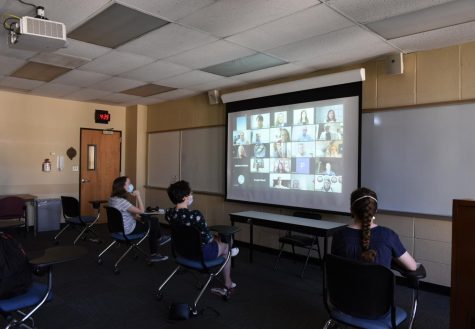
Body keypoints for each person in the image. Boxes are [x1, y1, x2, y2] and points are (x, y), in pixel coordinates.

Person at [165, 180, 239, 296]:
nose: (191, 195)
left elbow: (190, 233)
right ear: (185, 197)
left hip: (182, 252)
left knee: (218, 239)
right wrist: (216, 239)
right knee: (227, 241)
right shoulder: (195, 215)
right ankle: (228, 282)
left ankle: (228, 253)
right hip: (200, 254)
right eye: (190, 193)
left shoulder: (169, 214)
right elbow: (208, 239)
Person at [331, 187, 417, 270]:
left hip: (346, 285)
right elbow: (412, 267)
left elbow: (335, 268)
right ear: (375, 211)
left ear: (351, 210)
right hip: (379, 285)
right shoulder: (388, 236)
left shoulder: (339, 235)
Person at [109, 176, 170, 262]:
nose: (131, 185)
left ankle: (159, 238)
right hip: (128, 229)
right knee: (153, 223)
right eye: (129, 183)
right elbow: (141, 211)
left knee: (150, 221)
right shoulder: (122, 202)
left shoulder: (112, 199)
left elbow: (124, 214)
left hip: (118, 228)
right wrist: (138, 196)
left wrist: (137, 217)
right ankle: (154, 252)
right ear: (122, 186)